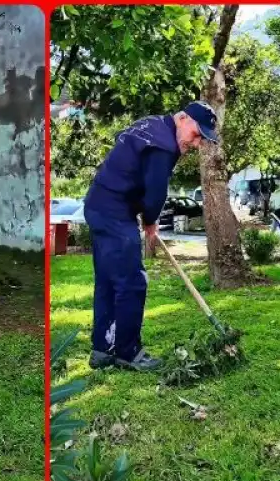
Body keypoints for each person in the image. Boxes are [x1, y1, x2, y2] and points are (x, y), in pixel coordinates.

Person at [83, 101, 220, 372]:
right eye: (196, 134)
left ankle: (103, 350)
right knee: (133, 282)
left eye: (202, 139)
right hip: (113, 212)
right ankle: (128, 352)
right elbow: (155, 192)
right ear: (182, 118)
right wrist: (150, 221)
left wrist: (143, 215)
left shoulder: (153, 125)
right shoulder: (164, 145)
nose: (196, 143)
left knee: (110, 280)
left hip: (98, 205)